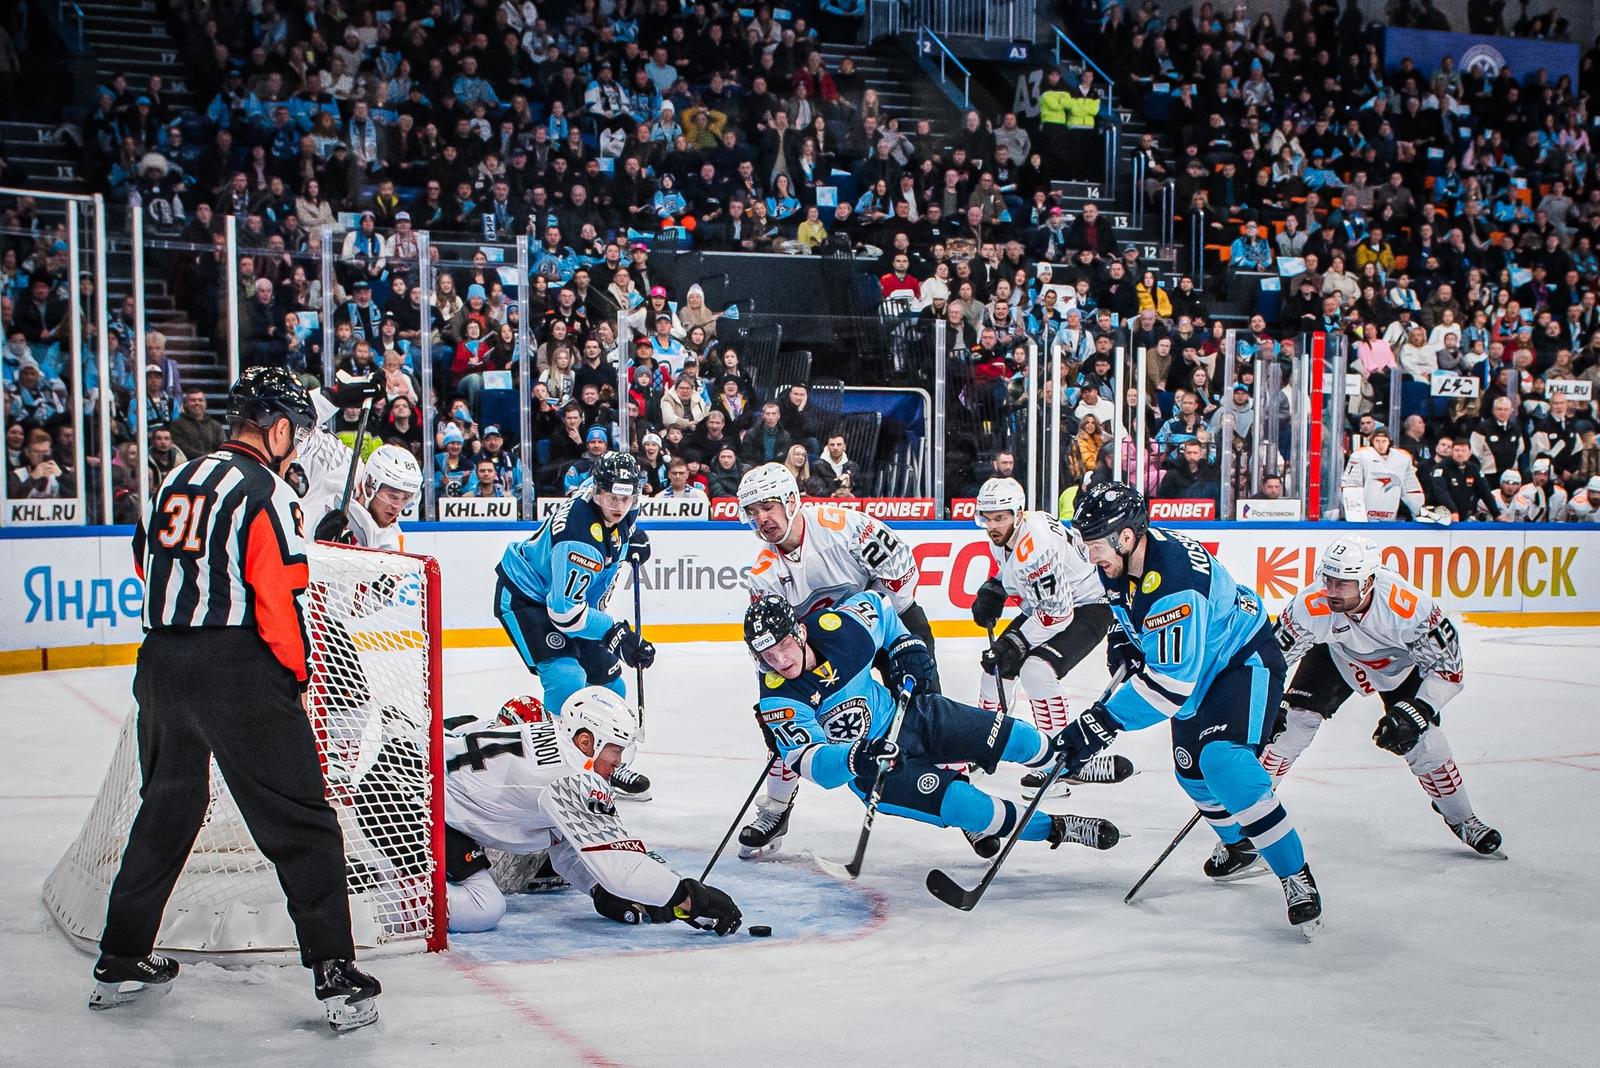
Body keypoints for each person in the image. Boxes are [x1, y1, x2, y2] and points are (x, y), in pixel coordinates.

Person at [92, 366, 381, 1030]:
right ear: (277, 428)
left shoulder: (172, 480)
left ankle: (121, 955)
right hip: (239, 669)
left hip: (162, 663)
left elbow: (146, 563)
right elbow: (279, 598)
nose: (297, 444)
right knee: (303, 823)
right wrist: (298, 675)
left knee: (168, 810)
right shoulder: (268, 493)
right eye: (296, 432)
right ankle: (335, 971)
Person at [1047, 482, 1322, 936]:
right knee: (1191, 773)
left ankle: (1295, 875)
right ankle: (1240, 846)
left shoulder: (1174, 583)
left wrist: (1102, 722)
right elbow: (1125, 613)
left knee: (1225, 764)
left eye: (1095, 543)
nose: (1090, 554)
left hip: (1241, 662)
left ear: (1127, 536)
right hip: (1201, 664)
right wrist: (1123, 642)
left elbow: (1170, 687)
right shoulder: (1120, 560)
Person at [745, 592, 1120, 858]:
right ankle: (1057, 828)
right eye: (766, 655)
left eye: (781, 646)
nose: (778, 660)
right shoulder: (779, 699)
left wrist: (904, 647)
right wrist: (857, 757)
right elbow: (813, 765)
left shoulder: (841, 628)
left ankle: (1068, 762)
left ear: (799, 632)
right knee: (968, 807)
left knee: (1014, 735)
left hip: (912, 717)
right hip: (874, 771)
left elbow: (883, 611)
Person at [734, 462, 934, 859]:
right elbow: (768, 647)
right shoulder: (763, 574)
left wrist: (885, 632)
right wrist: (772, 705)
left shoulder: (844, 527)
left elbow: (901, 573)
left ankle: (955, 787)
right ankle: (776, 808)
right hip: (822, 649)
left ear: (792, 501)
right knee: (787, 730)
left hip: (883, 622)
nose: (761, 519)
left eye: (768, 507)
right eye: (752, 512)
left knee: (925, 710)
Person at [1264, 536, 1504, 856]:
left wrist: (1420, 709)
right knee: (1289, 727)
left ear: (1368, 582)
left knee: (1423, 741)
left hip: (1401, 667)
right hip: (1336, 656)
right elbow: (1270, 660)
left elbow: (1449, 670)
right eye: (1328, 580)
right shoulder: (1310, 604)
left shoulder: (1410, 608)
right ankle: (1247, 826)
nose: (1331, 591)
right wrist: (1266, 700)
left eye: (1343, 584)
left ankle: (1463, 819)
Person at [440, 689, 740, 936]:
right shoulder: (571, 778)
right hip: (413, 801)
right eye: (616, 750)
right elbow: (621, 866)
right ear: (586, 741)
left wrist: (598, 888)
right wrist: (687, 896)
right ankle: (401, 902)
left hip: (431, 796)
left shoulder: (556, 741)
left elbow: (567, 848)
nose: (619, 762)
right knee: (484, 908)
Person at [493, 451, 655, 800]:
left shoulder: (615, 500)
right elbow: (564, 614)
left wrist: (630, 540)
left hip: (571, 603)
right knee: (567, 679)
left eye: (626, 498)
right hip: (529, 601)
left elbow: (618, 526)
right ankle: (555, 770)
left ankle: (608, 764)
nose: (619, 505)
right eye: (612, 497)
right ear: (597, 492)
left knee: (612, 685)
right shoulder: (578, 538)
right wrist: (617, 632)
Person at [968, 478, 1131, 798]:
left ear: (1017, 513)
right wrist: (997, 585)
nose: (992, 525)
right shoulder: (1015, 529)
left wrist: (1017, 643)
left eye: (1000, 517)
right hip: (1053, 603)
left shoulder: (1035, 548)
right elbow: (1026, 581)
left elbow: (1058, 615)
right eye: (987, 517)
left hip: (1089, 606)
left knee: (1036, 670)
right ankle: (982, 740)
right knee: (995, 669)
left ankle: (1059, 759)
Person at [1341, 425, 1425, 521]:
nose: (1381, 445)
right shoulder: (1360, 455)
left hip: (1390, 515)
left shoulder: (1403, 458)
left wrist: (1419, 513)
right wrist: (1356, 516)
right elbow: (1351, 485)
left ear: (1389, 441)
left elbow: (1411, 489)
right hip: (1365, 518)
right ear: (1372, 441)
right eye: (1377, 441)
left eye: (1384, 441)